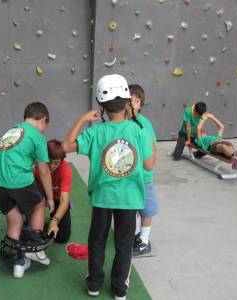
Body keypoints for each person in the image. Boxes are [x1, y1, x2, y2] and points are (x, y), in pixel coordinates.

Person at [62, 74, 155, 300]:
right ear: (127, 103)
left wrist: (84, 118)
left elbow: (65, 145)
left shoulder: (95, 132)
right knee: (124, 245)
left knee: (97, 241)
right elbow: (149, 164)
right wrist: (145, 135)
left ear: (101, 106)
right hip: (130, 199)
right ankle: (119, 289)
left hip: (102, 197)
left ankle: (94, 284)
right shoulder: (139, 131)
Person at [0, 102, 54, 278]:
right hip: (17, 182)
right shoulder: (37, 137)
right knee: (39, 204)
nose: (44, 130)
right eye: (45, 126)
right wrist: (50, 198)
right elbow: (44, 171)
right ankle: (34, 248)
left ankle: (18, 265)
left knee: (15, 219)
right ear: (43, 120)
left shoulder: (12, 130)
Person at [126, 84, 158, 257]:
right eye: (126, 100)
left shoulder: (144, 124)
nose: (129, 104)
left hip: (143, 177)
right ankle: (136, 233)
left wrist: (148, 169)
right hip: (129, 176)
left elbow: (153, 149)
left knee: (146, 209)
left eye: (133, 101)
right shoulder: (124, 123)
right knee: (134, 206)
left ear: (139, 103)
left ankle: (144, 241)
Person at [34, 139, 72, 243]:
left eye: (56, 163)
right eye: (49, 161)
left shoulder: (65, 170)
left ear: (62, 160)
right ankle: (30, 221)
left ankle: (50, 221)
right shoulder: (36, 167)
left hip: (57, 198)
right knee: (32, 231)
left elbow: (64, 200)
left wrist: (55, 220)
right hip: (39, 196)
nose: (51, 166)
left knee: (62, 237)